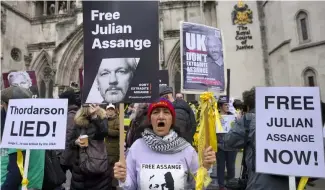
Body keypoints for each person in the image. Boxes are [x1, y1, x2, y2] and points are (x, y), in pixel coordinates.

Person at [114, 98, 216, 189]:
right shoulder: (137, 147)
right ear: (150, 119)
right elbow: (130, 186)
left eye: (166, 112)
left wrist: (205, 167)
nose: (161, 116)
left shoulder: (186, 150)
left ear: (172, 120)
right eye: (156, 112)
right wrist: (123, 178)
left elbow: (197, 186)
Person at [224, 87, 289, 190]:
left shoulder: (249, 119)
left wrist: (240, 121)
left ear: (248, 106)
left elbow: (229, 141)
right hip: (288, 182)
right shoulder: (286, 119)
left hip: (260, 183)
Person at [1, 86, 45, 190]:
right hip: (33, 184)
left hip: (22, 186)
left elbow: (16, 171)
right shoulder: (35, 123)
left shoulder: (19, 128)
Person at [68, 104, 111, 190]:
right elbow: (70, 142)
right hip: (80, 169)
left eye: (95, 104)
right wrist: (76, 142)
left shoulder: (102, 118)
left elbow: (103, 133)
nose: (93, 106)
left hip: (98, 165)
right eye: (91, 104)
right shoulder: (78, 121)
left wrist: (94, 117)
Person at [57, 89, 80, 189]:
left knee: (57, 180)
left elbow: (68, 137)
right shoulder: (70, 113)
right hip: (68, 153)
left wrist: (62, 158)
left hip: (67, 155)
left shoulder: (71, 115)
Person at [216, 95, 237, 190]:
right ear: (220, 106)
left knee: (231, 167)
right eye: (225, 105)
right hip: (220, 146)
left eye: (228, 105)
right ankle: (221, 186)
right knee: (220, 167)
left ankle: (230, 185)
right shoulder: (215, 117)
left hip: (232, 147)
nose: (227, 106)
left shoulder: (233, 116)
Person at [104, 103, 120, 190]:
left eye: (111, 109)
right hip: (104, 148)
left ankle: (113, 187)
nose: (110, 111)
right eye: (108, 109)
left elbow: (118, 132)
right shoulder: (104, 119)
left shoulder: (117, 120)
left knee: (112, 170)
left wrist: (106, 131)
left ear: (114, 110)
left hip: (113, 150)